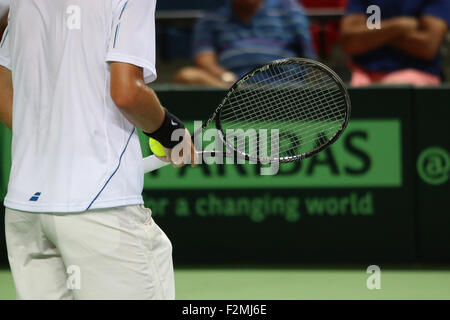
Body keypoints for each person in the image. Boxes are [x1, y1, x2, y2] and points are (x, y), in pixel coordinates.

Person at [0, 0, 196, 300]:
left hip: (25, 211)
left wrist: (52, 144)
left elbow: (3, 86)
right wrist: (170, 132)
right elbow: (127, 93)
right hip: (100, 207)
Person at [174, 0, 316, 87]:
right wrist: (228, 79)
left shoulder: (289, 9)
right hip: (233, 90)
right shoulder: (211, 18)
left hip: (284, 89)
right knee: (187, 75)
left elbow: (311, 62)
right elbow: (204, 60)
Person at [341, 0, 450, 87]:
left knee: (394, 88)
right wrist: (398, 26)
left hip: (417, 72)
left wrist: (374, 33)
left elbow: (427, 46)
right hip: (361, 72)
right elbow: (349, 41)